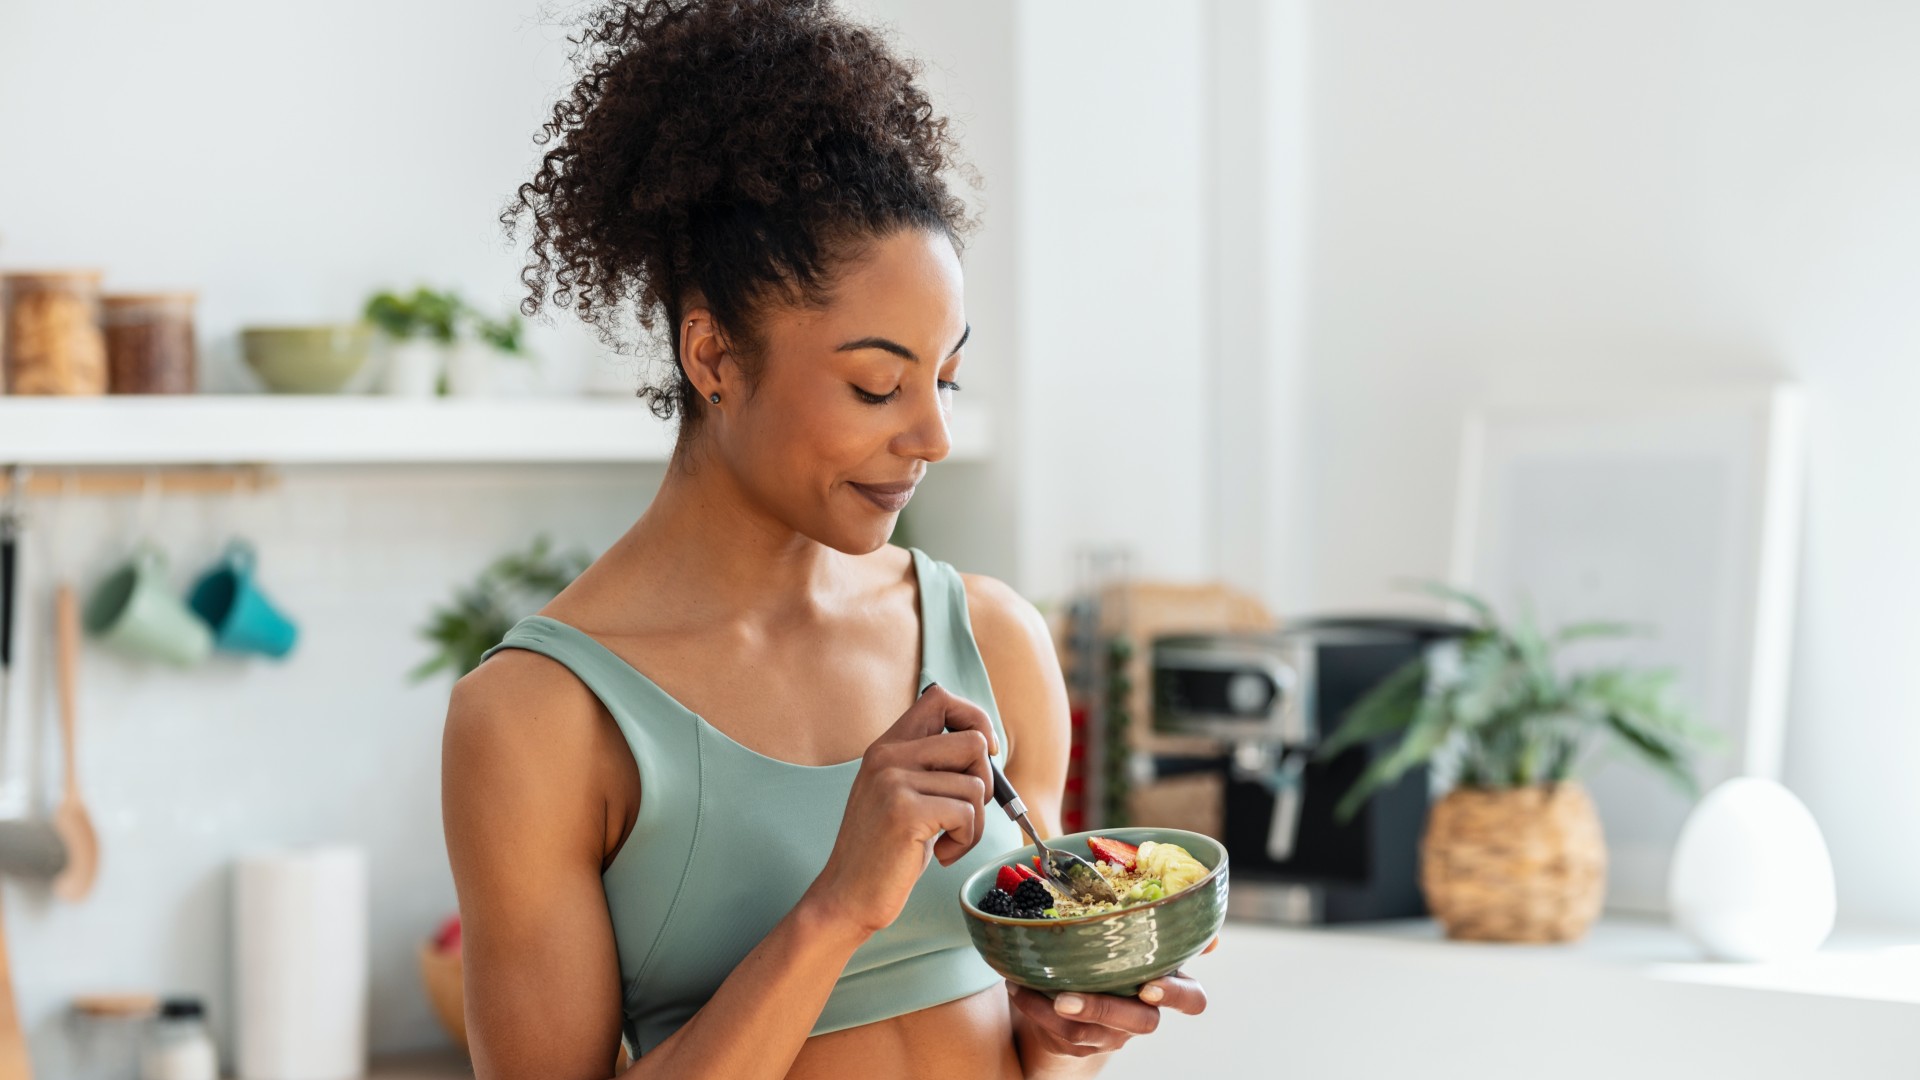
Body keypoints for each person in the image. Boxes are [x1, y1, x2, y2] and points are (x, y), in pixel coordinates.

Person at [440, 2, 1211, 1077]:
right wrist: (839, 904)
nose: (933, 433)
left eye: (944, 378)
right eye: (877, 384)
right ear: (712, 356)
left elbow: (1029, 1042)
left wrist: (1060, 1037)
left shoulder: (992, 643)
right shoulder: (541, 718)